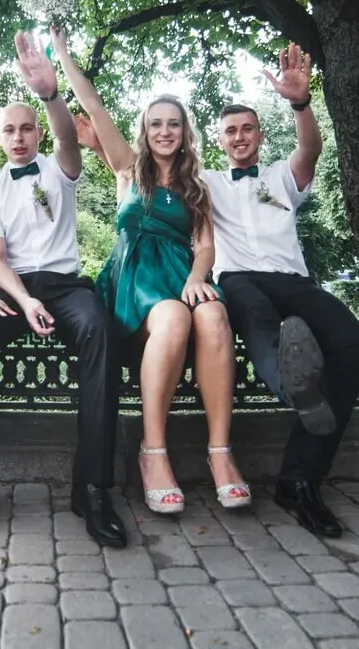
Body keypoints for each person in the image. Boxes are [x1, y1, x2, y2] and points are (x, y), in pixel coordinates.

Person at [0, 29, 127, 548]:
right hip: (15, 290)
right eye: (9, 130)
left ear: (37, 133)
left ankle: (92, 489)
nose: (18, 137)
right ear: (1, 137)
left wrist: (49, 93)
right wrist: (24, 301)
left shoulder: (62, 167)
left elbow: (68, 134)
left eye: (26, 128)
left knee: (99, 330)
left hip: (67, 286)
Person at [57, 30, 251, 515]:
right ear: (144, 130)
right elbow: (94, 107)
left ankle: (220, 453)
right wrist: (61, 52)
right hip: (133, 279)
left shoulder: (196, 186)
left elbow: (205, 246)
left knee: (211, 316)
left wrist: (196, 279)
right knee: (172, 318)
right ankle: (153, 452)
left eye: (174, 125)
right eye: (156, 124)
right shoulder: (127, 169)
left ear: (185, 133)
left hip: (180, 273)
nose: (165, 131)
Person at [208, 44, 359, 537]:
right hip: (237, 278)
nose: (239, 136)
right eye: (231, 130)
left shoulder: (282, 174)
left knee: (351, 341)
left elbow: (311, 150)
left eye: (247, 128)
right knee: (256, 318)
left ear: (259, 134)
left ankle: (300, 480)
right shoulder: (207, 182)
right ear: (221, 141)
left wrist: (301, 105)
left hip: (293, 280)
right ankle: (291, 386)